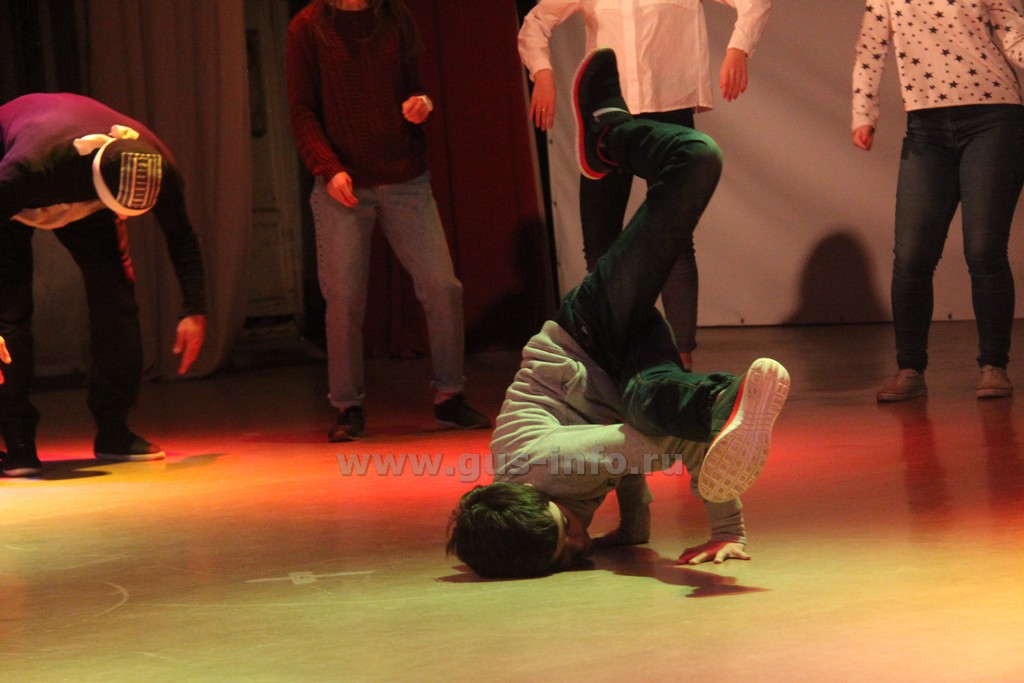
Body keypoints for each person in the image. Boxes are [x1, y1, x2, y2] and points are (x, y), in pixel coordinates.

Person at [446, 48, 790, 579]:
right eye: (566, 554)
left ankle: (609, 133)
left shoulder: (543, 467)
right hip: (620, 382)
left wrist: (728, 524)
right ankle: (722, 402)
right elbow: (618, 453)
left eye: (567, 532)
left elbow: (653, 444)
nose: (580, 544)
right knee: (648, 401)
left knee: (696, 159)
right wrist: (634, 526)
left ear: (536, 497)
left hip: (590, 334)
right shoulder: (542, 506)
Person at [518, 0, 772, 370]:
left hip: (669, 102)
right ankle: (613, 359)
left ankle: (681, 364)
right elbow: (536, 22)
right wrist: (542, 73)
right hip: (609, 113)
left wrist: (738, 49)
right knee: (601, 246)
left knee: (676, 242)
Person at [286, 0, 490, 442]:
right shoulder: (308, 27)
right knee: (344, 298)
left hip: (405, 177)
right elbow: (302, 111)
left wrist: (422, 103)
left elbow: (416, 88)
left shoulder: (395, 17)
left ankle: (449, 396)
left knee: (443, 287)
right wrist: (328, 168)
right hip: (343, 182)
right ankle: (347, 406)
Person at [0, 92, 208, 478]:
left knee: (117, 301)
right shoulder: (26, 170)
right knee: (8, 314)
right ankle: (18, 440)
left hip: (87, 195)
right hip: (14, 195)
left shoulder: (156, 165)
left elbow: (181, 235)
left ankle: (115, 430)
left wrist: (194, 308)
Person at [852, 0, 1024, 401]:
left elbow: (1013, 31)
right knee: (912, 255)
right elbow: (870, 49)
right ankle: (910, 369)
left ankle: (993, 365)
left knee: (983, 250)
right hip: (926, 128)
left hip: (993, 117)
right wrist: (864, 114)